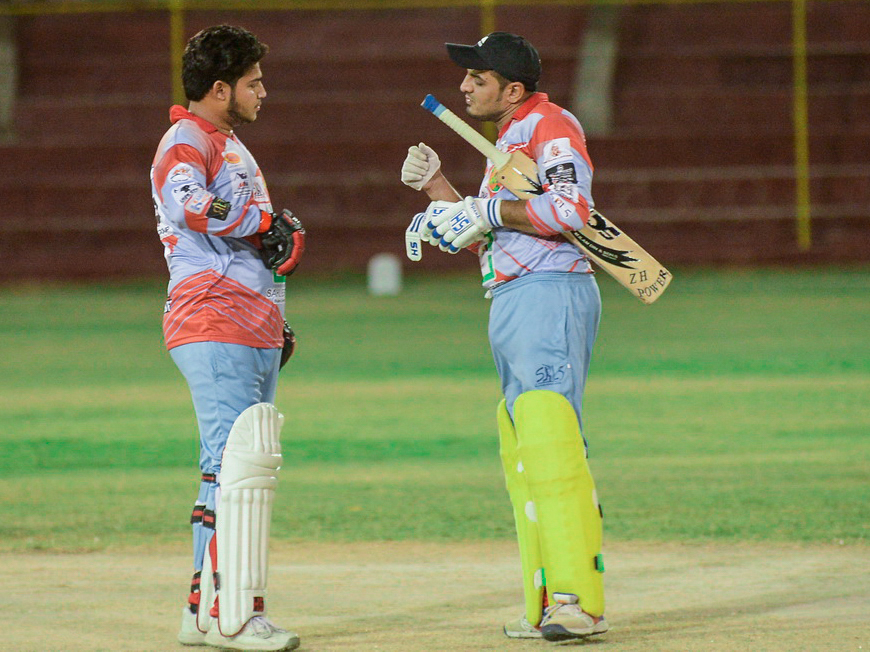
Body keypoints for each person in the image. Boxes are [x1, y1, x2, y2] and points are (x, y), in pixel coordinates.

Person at [401, 32, 609, 642]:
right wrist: (441, 193)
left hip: (551, 292)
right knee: (526, 448)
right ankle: (545, 601)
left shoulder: (550, 125)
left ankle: (580, 602)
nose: (463, 86)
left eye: (478, 77)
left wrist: (484, 211)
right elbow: (495, 235)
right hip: (513, 295)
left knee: (552, 438)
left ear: (512, 89)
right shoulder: (511, 139)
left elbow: (570, 212)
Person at [150, 24, 304, 651]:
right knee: (237, 468)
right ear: (220, 88)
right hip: (212, 315)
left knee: (232, 467)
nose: (263, 92)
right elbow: (189, 204)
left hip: (246, 318)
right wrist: (264, 221)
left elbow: (249, 242)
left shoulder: (227, 143)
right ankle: (235, 616)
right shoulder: (186, 139)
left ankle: (203, 611)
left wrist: (275, 317)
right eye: (253, 82)